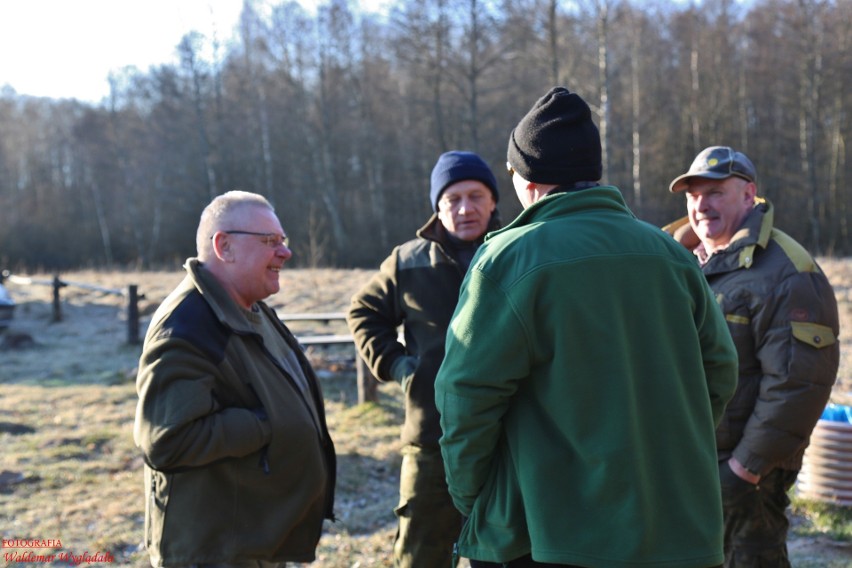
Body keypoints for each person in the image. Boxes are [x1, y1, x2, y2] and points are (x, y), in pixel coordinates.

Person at [434, 87, 739, 568]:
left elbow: (465, 395)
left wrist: (476, 500)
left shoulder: (509, 259)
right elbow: (720, 373)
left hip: (547, 534)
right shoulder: (671, 256)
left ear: (526, 179)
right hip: (676, 529)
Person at [133, 190, 336, 568]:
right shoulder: (189, 325)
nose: (285, 252)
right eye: (270, 242)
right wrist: (267, 425)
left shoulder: (247, 306)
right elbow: (168, 441)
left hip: (252, 537)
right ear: (224, 246)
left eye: (283, 241)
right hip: (213, 551)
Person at [665, 146, 840, 567]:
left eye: (715, 192)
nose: (701, 205)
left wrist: (744, 469)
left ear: (749, 195)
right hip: (680, 469)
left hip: (743, 480)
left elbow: (798, 384)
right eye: (693, 195)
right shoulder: (673, 262)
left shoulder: (786, 272)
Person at [346, 151, 501, 567]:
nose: (465, 208)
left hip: (507, 441)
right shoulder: (408, 261)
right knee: (420, 555)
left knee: (507, 554)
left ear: (493, 202)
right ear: (437, 206)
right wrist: (400, 368)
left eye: (476, 196)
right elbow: (363, 313)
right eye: (453, 199)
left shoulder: (517, 252)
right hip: (431, 438)